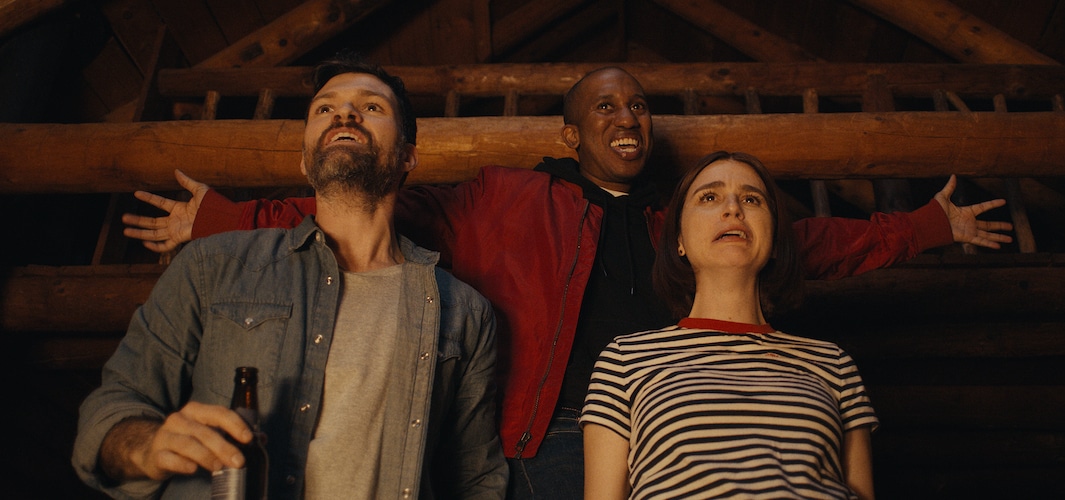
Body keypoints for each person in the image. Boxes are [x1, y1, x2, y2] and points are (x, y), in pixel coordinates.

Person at [121, 66, 1011, 498]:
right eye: (605, 108)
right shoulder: (503, 197)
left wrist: (931, 226)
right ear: (571, 132)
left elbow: (807, 241)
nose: (628, 119)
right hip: (532, 440)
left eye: (638, 107)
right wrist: (220, 220)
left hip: (650, 446)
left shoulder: (685, 219)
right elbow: (362, 203)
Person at [72, 53, 507, 499]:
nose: (345, 113)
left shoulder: (463, 311)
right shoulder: (212, 266)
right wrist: (146, 446)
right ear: (304, 160)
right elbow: (113, 406)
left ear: (407, 156)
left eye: (371, 106)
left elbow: (476, 478)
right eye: (325, 107)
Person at [583, 151, 877, 499]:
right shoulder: (625, 360)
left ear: (774, 240)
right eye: (709, 197)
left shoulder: (833, 364)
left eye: (751, 199)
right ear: (679, 240)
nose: (733, 209)